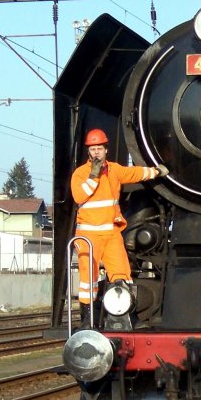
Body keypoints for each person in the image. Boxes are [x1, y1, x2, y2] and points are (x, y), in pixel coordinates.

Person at [70, 128, 167, 325]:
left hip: (111, 233)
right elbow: (79, 196)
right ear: (88, 152)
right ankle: (88, 320)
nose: (96, 152)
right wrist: (94, 177)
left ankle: (128, 317)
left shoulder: (114, 170)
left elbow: (134, 173)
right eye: (93, 149)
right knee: (88, 280)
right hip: (88, 235)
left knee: (123, 274)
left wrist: (156, 171)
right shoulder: (80, 174)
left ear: (106, 149)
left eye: (99, 148)